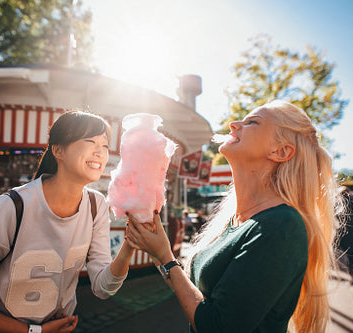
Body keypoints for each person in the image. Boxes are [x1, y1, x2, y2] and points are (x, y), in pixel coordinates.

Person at [126, 100, 340, 332]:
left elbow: (217, 327)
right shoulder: (236, 220)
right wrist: (158, 254)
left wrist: (165, 257)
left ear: (281, 151)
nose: (234, 124)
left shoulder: (281, 226)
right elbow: (199, 293)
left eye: (252, 122)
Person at [0, 111, 135, 333]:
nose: (100, 152)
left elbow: (102, 288)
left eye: (105, 145)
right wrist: (35, 332)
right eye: (90, 141)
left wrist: (129, 245)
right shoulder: (11, 207)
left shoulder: (96, 205)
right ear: (58, 150)